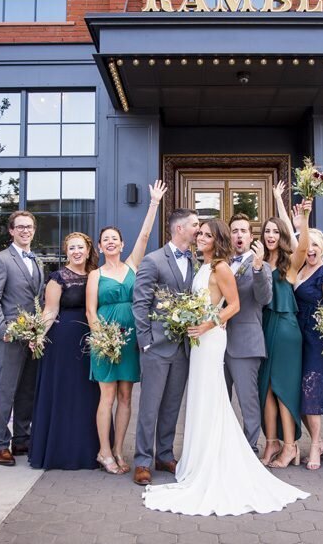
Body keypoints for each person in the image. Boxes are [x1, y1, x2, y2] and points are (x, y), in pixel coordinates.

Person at [142, 219, 309, 516]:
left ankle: (241, 454)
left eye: (207, 234)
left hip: (216, 337)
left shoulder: (222, 266)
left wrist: (207, 323)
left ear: (218, 239)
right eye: (200, 233)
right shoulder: (201, 265)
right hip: (199, 344)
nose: (201, 237)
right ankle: (200, 458)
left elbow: (235, 305)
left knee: (222, 399)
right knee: (203, 399)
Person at [87, 181, 166, 474]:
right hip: (106, 341)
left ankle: (120, 450)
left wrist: (154, 203)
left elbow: (145, 235)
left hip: (131, 338)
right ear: (100, 246)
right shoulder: (96, 274)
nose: (110, 242)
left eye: (115, 239)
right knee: (106, 396)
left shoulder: (133, 265)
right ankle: (104, 451)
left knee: (125, 396)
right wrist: (103, 338)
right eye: (105, 239)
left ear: (121, 245)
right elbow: (90, 311)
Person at [132, 208, 199, 486]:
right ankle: (143, 461)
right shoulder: (154, 260)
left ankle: (165, 454)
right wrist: (146, 342)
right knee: (150, 406)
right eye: (196, 224)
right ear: (180, 228)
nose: (199, 229)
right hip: (156, 347)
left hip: (183, 349)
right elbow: (140, 303)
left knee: (172, 406)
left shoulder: (196, 261)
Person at [30, 232, 100, 470]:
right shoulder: (58, 278)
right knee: (64, 394)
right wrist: (38, 335)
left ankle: (88, 451)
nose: (76, 252)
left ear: (88, 250)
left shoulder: (95, 275)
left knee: (88, 395)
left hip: (90, 340)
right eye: (72, 248)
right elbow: (49, 311)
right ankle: (60, 452)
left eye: (80, 247)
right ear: (66, 252)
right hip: (62, 342)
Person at [0, 211, 44, 467]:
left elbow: (38, 299)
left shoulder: (37, 260)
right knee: (6, 391)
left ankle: (22, 438)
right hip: (11, 335)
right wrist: (3, 330)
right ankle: (0, 443)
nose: (25, 231)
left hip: (34, 335)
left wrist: (40, 330)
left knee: (27, 391)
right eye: (19, 227)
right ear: (11, 231)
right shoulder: (0, 260)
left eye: (29, 227)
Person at [258, 195, 310, 468]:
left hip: (286, 327)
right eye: (267, 231)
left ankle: (290, 446)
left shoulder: (288, 265)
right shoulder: (259, 261)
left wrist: (304, 220)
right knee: (265, 388)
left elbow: (303, 247)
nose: (271, 235)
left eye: (275, 231)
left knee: (282, 388)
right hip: (264, 326)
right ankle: (271, 443)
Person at [294, 228, 323, 470]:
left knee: (311, 391)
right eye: (307, 244)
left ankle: (314, 445)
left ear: (322, 247)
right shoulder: (301, 269)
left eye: (315, 245)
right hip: (297, 337)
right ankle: (320, 442)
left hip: (316, 338)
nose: (310, 249)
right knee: (298, 392)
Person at [226, 212, 272, 454]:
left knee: (248, 399)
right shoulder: (221, 263)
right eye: (234, 231)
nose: (239, 234)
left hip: (245, 342)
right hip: (216, 343)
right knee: (219, 399)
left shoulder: (261, 265)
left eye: (243, 230)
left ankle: (250, 447)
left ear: (251, 236)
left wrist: (256, 268)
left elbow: (264, 298)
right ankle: (221, 444)